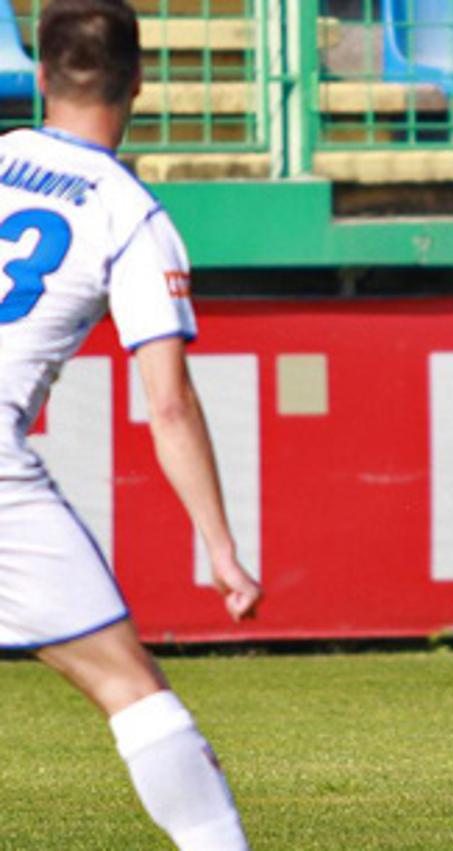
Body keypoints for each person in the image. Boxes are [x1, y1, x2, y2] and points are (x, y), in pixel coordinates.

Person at [0, 1, 261, 847]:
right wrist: (220, 546)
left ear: (41, 76)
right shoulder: (131, 215)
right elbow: (168, 402)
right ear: (139, 83)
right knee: (133, 691)